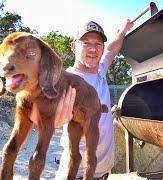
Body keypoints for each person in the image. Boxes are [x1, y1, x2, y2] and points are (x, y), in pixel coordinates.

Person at [31, 19, 133, 179]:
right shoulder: (66, 81)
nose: (93, 49)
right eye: (86, 43)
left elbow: (112, 49)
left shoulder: (100, 70)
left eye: (98, 44)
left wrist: (124, 30)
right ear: (73, 47)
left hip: (102, 173)